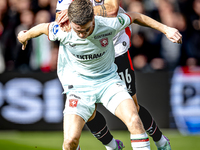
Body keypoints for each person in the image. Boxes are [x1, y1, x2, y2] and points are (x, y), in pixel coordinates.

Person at [17, 0, 182, 149]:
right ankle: (112, 145)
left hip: (108, 78)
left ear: (93, 21)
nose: (82, 35)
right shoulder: (62, 29)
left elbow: (122, 12)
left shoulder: (108, 25)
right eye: (78, 30)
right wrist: (24, 35)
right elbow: (44, 27)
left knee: (134, 116)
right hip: (79, 85)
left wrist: (166, 29)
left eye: (86, 29)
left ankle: (160, 141)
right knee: (70, 141)